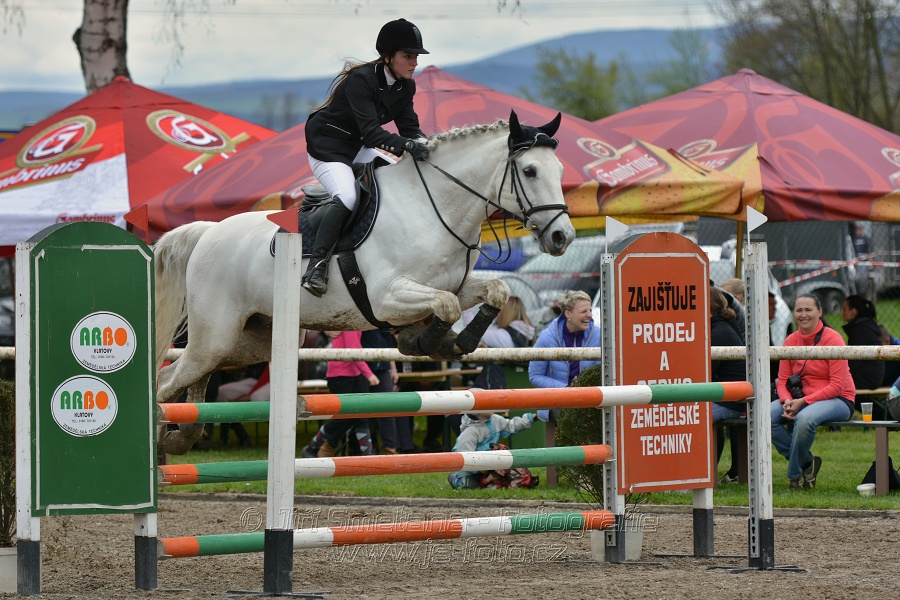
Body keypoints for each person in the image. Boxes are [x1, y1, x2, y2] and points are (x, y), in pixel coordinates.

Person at [301, 18, 431, 297]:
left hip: (357, 145)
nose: (414, 63)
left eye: (416, 56)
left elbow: (410, 129)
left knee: (399, 180)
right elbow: (373, 134)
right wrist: (409, 145)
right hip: (329, 147)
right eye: (408, 56)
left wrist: (430, 148)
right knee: (348, 197)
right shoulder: (362, 80)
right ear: (388, 57)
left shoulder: (405, 85)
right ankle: (317, 265)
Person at [772, 294, 855, 490]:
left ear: (820, 312)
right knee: (763, 418)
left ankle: (794, 476)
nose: (803, 315)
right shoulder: (791, 340)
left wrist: (803, 403)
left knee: (805, 419)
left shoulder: (834, 339)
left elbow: (837, 386)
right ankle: (808, 462)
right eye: (799, 310)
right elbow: (782, 381)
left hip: (839, 399)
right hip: (799, 398)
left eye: (808, 309)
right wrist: (786, 401)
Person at [300, 331, 380, 458]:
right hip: (341, 374)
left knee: (361, 415)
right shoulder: (350, 323)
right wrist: (369, 375)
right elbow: (353, 351)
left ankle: (368, 455)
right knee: (343, 417)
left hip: (352, 373)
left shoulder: (354, 323)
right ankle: (313, 446)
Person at [528, 290, 602, 421]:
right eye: (583, 312)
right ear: (568, 313)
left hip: (589, 400)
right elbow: (535, 375)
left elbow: (601, 371)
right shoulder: (547, 337)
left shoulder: (599, 334)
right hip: (558, 402)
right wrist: (566, 388)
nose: (589, 315)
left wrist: (585, 385)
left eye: (590, 310)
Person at [708, 287, 747, 485]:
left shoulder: (719, 332)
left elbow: (705, 372)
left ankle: (701, 476)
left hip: (734, 402)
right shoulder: (720, 326)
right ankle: (706, 473)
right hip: (728, 397)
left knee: (692, 415)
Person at [447, 410, 540, 489]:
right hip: (471, 467)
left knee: (510, 479)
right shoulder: (469, 432)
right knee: (470, 486)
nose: (491, 405)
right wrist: (479, 469)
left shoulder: (495, 419)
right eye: (486, 405)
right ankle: (455, 479)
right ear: (476, 411)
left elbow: (511, 426)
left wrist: (532, 418)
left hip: (491, 462)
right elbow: (464, 457)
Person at [360, 329, 410, 454]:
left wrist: (393, 369)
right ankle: (367, 449)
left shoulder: (381, 322)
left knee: (388, 408)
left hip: (382, 368)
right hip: (362, 368)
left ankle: (390, 448)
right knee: (361, 410)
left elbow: (388, 345)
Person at [213, 363, 269, 448]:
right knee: (221, 393)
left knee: (256, 397)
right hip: (253, 380)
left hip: (268, 380)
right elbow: (243, 366)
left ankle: (239, 436)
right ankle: (239, 435)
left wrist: (249, 395)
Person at [841, 294, 885, 397]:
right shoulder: (865, 326)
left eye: (844, 309)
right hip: (873, 377)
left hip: (866, 379)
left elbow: (854, 361)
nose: (842, 313)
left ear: (853, 311)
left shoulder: (859, 330)